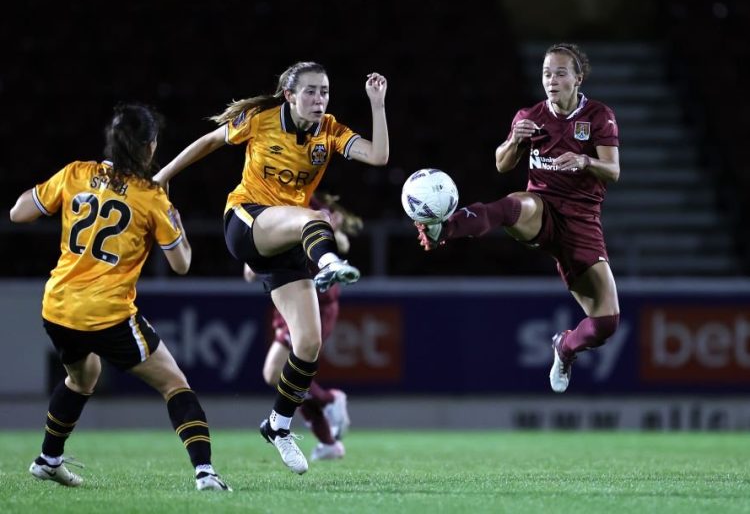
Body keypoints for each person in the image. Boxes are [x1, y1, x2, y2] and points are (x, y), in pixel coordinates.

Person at [153, 62, 388, 474]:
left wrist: (378, 105)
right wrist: (164, 175)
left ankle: (278, 426)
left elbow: (379, 155)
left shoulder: (329, 130)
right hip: (246, 221)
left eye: (326, 92)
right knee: (317, 221)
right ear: (289, 95)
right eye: (312, 92)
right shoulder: (262, 119)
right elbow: (209, 142)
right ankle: (329, 261)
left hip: (286, 239)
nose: (320, 100)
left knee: (309, 345)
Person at [9, 104, 231, 491]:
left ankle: (48, 459)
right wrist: (170, 209)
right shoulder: (151, 198)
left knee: (82, 377)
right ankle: (205, 473)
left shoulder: (76, 173)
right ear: (149, 148)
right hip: (108, 313)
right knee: (175, 385)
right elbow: (182, 263)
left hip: (58, 307)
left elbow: (18, 213)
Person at [415, 43, 620, 393]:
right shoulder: (530, 116)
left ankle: (565, 346)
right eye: (546, 73)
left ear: (577, 78)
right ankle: (441, 228)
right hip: (541, 206)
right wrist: (513, 141)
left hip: (582, 223)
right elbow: (501, 163)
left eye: (559, 73)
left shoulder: (599, 116)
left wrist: (585, 162)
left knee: (606, 324)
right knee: (510, 207)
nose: (551, 80)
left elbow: (613, 171)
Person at [246, 194, 361, 462]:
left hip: (313, 297)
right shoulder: (268, 200)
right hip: (286, 292)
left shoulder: (308, 201)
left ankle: (328, 400)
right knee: (291, 377)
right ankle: (328, 441)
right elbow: (251, 268)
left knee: (275, 371)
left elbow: (332, 234)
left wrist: (334, 230)